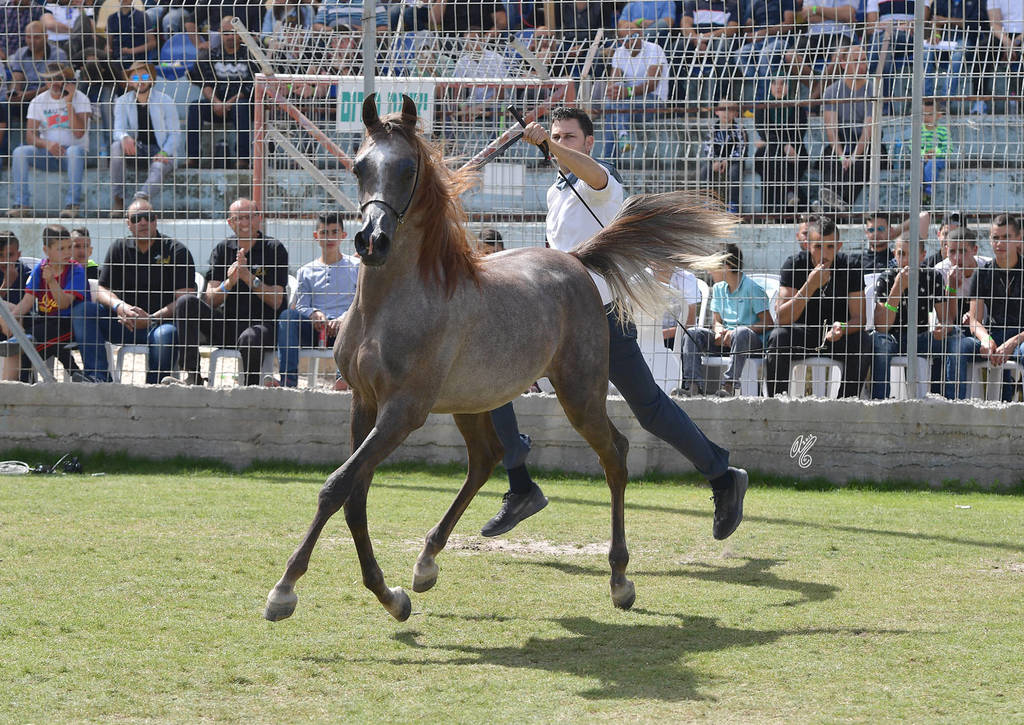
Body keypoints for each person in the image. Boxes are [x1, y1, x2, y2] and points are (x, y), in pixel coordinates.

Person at [479, 106, 747, 541]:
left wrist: (548, 145)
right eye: (556, 135)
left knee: (649, 410)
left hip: (600, 317)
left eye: (569, 136)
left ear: (588, 143)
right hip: (560, 318)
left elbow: (590, 174)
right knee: (493, 371)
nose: (561, 141)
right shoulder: (555, 194)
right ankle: (519, 481)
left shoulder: (600, 183)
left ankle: (722, 475)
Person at [70, 198, 197, 384]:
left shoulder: (176, 250)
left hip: (159, 324)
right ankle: (97, 378)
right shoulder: (119, 248)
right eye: (137, 218)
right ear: (128, 224)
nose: (143, 222)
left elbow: (185, 297)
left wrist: (151, 318)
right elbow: (102, 288)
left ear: (156, 220)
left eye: (148, 217)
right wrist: (120, 307)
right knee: (83, 311)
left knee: (166, 335)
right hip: (123, 322)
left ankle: (155, 387)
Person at [168, 198, 288, 386]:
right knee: (186, 303)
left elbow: (277, 301)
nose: (244, 223)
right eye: (238, 218)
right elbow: (209, 300)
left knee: (251, 336)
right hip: (228, 325)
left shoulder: (273, 249)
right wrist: (230, 282)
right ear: (230, 223)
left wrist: (249, 278)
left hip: (263, 326)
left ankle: (251, 387)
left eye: (249, 217)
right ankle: (192, 377)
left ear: (258, 219)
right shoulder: (223, 249)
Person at [765, 213, 871, 397]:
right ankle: (777, 401)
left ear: (839, 246)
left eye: (830, 246)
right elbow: (781, 318)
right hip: (803, 332)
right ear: (807, 245)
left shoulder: (851, 266)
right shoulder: (794, 264)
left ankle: (847, 402)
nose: (824, 254)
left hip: (836, 335)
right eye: (818, 247)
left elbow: (860, 319)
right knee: (778, 337)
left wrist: (843, 328)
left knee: (863, 341)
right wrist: (810, 286)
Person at [266, 212, 358, 389]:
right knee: (287, 316)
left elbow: (361, 302)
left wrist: (343, 318)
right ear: (316, 236)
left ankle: (343, 380)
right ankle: (288, 382)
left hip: (346, 330)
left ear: (343, 236)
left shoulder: (355, 267)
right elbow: (301, 304)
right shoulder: (306, 271)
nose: (329, 237)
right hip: (316, 329)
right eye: (324, 232)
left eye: (334, 232)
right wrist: (313, 313)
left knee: (354, 322)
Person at [947, 213, 1024, 401]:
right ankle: (954, 407)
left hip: (1021, 337)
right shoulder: (983, 273)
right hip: (993, 333)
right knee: (959, 346)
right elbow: (974, 319)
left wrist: (1014, 341)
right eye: (995, 238)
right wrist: (985, 339)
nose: (1000, 243)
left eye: (1006, 237)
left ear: (1018, 239)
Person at [682, 243, 773, 397]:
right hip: (724, 340)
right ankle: (692, 385)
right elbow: (717, 320)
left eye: (713, 266)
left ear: (728, 266)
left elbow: (768, 322)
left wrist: (733, 332)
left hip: (748, 341)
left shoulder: (752, 288)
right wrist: (719, 331)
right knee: (692, 333)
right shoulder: (718, 288)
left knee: (740, 332)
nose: (709, 271)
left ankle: (729, 386)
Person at [0, 224, 87, 381]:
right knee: (27, 334)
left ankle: (26, 386)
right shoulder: (40, 269)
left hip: (68, 323)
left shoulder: (76, 270)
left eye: (69, 247)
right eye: (61, 249)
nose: (68, 252)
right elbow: (27, 301)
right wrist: (11, 320)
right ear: (46, 250)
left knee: (25, 346)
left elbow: (64, 304)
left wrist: (52, 282)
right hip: (44, 322)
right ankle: (74, 372)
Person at [7, 61, 90, 219]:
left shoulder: (81, 98)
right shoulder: (38, 101)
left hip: (72, 155)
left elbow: (79, 132)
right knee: (20, 152)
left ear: (66, 79)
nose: (54, 83)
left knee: (74, 152)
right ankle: (22, 204)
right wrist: (47, 144)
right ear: (45, 81)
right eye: (49, 79)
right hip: (47, 152)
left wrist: (68, 102)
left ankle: (72, 205)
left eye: (58, 78)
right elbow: (30, 136)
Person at [868, 235, 947, 398]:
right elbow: (882, 327)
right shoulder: (886, 278)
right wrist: (897, 288)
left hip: (920, 337)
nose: (906, 260)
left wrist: (943, 327)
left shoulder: (932, 277)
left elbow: (946, 318)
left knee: (949, 342)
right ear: (894, 255)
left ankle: (940, 397)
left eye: (911, 255)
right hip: (892, 337)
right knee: (880, 344)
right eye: (901, 254)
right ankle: (879, 401)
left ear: (923, 255)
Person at [185, 16, 256, 169]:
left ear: (240, 33)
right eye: (225, 33)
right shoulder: (212, 55)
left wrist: (228, 104)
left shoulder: (249, 55)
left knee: (241, 106)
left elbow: (251, 86)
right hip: (218, 104)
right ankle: (193, 157)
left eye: (233, 32)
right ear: (219, 33)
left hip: (243, 105)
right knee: (195, 107)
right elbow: (207, 83)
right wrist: (217, 102)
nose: (230, 37)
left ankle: (242, 159)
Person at [110, 61, 181, 212]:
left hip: (159, 150)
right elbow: (118, 130)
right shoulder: (122, 101)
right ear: (129, 82)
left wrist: (164, 152)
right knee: (116, 146)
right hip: (137, 151)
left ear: (151, 79)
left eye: (144, 76)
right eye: (135, 78)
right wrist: (124, 137)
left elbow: (175, 134)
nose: (140, 81)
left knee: (158, 165)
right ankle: (118, 198)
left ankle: (141, 200)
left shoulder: (165, 100)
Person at [816, 43, 873, 213]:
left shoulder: (872, 89)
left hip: (866, 140)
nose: (862, 65)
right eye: (856, 61)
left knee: (864, 160)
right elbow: (831, 127)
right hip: (842, 138)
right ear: (843, 63)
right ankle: (831, 201)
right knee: (830, 157)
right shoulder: (832, 91)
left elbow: (869, 128)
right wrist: (841, 155)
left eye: (864, 60)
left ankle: (839, 205)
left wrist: (855, 155)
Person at [933, 225, 986, 397]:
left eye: (963, 251)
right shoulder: (940, 271)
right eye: (953, 252)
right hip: (951, 327)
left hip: (982, 329)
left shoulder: (987, 268)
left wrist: (974, 316)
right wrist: (952, 288)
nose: (957, 258)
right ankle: (944, 397)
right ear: (946, 249)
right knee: (949, 343)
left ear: (975, 250)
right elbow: (949, 319)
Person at [602, 28, 670, 159]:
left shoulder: (654, 49)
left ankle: (609, 160)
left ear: (641, 35)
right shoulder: (619, 52)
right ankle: (621, 138)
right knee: (610, 106)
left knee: (615, 108)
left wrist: (626, 91)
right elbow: (613, 81)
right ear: (621, 40)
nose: (633, 39)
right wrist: (613, 91)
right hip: (629, 104)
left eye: (635, 35)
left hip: (654, 101)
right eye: (628, 37)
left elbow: (651, 84)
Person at [754, 75, 807, 216]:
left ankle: (771, 214)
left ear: (788, 86)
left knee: (772, 161)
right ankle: (791, 192)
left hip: (794, 149)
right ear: (770, 86)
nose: (778, 87)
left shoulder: (796, 107)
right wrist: (783, 145)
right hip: (773, 149)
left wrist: (789, 146)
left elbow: (799, 132)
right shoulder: (762, 107)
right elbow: (765, 132)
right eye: (774, 83)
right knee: (771, 157)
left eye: (782, 83)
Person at [673, 0, 741, 110]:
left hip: (717, 38)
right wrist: (697, 39)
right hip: (695, 38)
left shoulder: (732, 5)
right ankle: (677, 99)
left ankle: (720, 99)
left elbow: (732, 28)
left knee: (722, 48)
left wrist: (707, 37)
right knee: (676, 49)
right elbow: (685, 24)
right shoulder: (693, 3)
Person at [787, 0, 857, 102]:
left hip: (841, 32)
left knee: (840, 56)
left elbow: (847, 14)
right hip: (813, 34)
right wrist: (837, 15)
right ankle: (819, 94)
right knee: (790, 56)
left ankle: (813, 99)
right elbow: (808, 16)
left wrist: (816, 9)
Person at [737, 0, 796, 101]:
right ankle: (759, 87)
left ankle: (763, 99)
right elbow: (748, 26)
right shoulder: (755, 3)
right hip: (759, 41)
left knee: (765, 54)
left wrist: (765, 32)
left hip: (780, 40)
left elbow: (788, 24)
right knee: (740, 54)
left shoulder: (785, 1)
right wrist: (748, 32)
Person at [6, 20, 67, 115]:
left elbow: (56, 84)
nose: (32, 41)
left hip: (50, 95)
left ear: (46, 37)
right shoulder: (21, 53)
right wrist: (14, 93)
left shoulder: (58, 54)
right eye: (28, 37)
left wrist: (29, 95)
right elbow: (17, 76)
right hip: (25, 96)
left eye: (36, 37)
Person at [700, 98, 745, 213]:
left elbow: (741, 149)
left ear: (736, 113)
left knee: (734, 173)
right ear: (717, 112)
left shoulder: (739, 129)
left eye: (730, 110)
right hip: (716, 161)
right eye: (723, 110)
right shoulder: (712, 129)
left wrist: (727, 161)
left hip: (734, 161)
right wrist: (714, 161)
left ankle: (733, 204)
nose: (726, 113)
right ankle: (708, 202)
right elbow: (708, 148)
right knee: (705, 171)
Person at [0, 230, 32, 381]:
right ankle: (17, 381)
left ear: (18, 255)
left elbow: (30, 305)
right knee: (8, 310)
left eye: (10, 255)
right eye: (0, 256)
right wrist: (6, 285)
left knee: (14, 315)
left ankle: (17, 381)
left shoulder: (26, 273)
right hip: (11, 327)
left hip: (19, 326)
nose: (4, 261)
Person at [105, 0, 156, 74]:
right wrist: (107, 48)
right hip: (116, 58)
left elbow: (152, 43)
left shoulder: (142, 16)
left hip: (137, 59)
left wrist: (131, 50)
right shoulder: (112, 18)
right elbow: (109, 43)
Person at [919, 99, 949, 206]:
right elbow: (913, 146)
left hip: (938, 158)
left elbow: (948, 148)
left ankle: (928, 190)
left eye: (930, 114)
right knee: (918, 164)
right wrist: (923, 153)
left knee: (932, 164)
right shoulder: (919, 130)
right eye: (924, 114)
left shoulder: (942, 131)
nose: (926, 117)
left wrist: (935, 152)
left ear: (939, 116)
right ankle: (917, 188)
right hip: (923, 158)